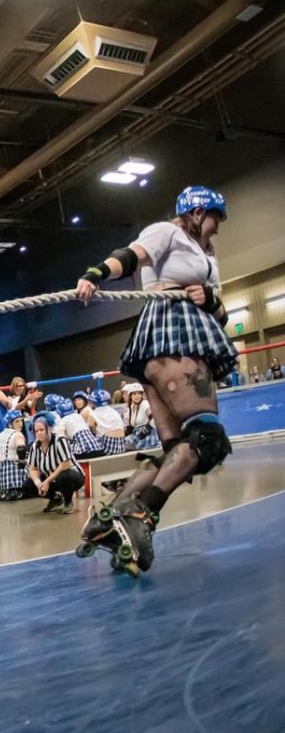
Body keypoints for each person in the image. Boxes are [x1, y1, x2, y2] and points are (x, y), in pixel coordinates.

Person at [76, 185, 238, 574]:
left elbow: (219, 314)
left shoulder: (206, 254)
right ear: (198, 213)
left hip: (184, 337)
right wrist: (96, 274)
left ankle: (110, 519)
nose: (217, 228)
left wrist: (210, 299)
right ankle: (140, 515)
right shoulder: (168, 232)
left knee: (178, 452)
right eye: (215, 217)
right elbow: (132, 256)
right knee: (208, 440)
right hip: (172, 336)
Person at [26, 412, 84, 514]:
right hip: (52, 479)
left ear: (49, 429)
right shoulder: (35, 446)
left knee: (64, 475)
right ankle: (55, 499)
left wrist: (47, 481)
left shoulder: (60, 440)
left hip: (73, 476)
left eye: (41, 430)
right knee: (28, 485)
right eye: (36, 431)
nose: (39, 433)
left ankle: (68, 502)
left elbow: (65, 464)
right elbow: (33, 468)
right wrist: (38, 483)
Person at [0, 410, 31, 502]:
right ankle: (17, 491)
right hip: (16, 468)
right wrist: (22, 461)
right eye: (17, 421)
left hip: (2, 471)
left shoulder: (0, 435)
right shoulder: (17, 435)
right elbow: (21, 449)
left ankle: (7, 491)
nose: (20, 424)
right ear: (10, 424)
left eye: (21, 421)